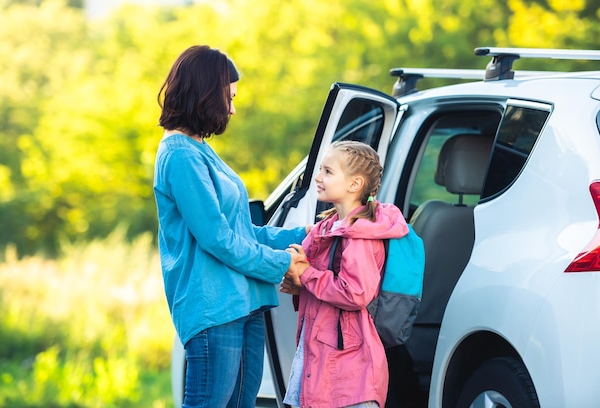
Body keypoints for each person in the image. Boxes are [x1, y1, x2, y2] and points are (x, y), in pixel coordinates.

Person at [153, 45, 308, 408]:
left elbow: (242, 230)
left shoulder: (201, 149)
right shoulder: (179, 155)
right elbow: (218, 239)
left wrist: (310, 234)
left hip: (245, 303)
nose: (232, 109)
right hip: (214, 308)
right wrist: (282, 263)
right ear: (205, 94)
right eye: (228, 98)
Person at [280, 140, 410, 408]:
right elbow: (308, 271)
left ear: (355, 184)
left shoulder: (360, 234)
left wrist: (306, 275)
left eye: (328, 172)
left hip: (349, 372)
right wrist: (297, 279)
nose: (317, 177)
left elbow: (356, 292)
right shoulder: (327, 226)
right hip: (323, 357)